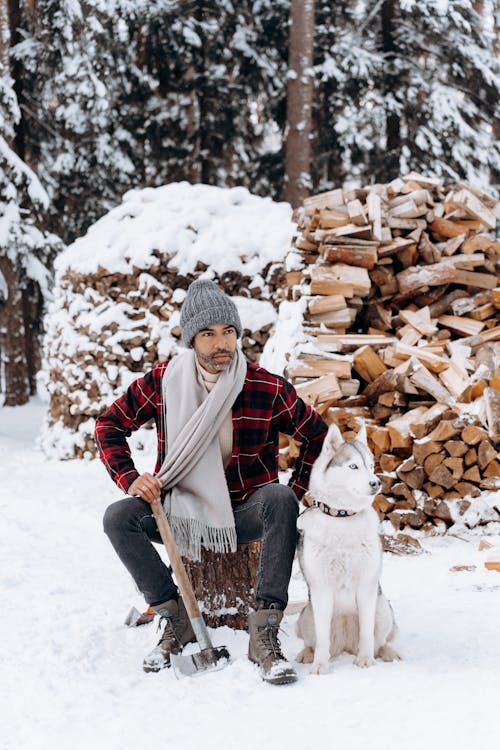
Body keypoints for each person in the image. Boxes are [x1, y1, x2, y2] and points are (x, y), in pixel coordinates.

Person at [95, 279, 327, 684]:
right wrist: (131, 479)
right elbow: (109, 425)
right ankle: (175, 616)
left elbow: (316, 434)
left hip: (245, 512)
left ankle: (264, 633)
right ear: (191, 340)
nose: (222, 343)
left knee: (279, 500)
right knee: (119, 517)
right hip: (179, 512)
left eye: (229, 332)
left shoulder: (265, 386)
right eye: (208, 334)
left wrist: (297, 491)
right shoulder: (163, 382)